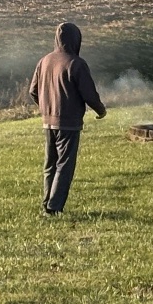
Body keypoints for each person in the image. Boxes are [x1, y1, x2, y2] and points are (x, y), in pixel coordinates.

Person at [29, 22, 106, 217]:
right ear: (75, 40)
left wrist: (45, 107)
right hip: (69, 123)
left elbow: (33, 91)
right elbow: (89, 94)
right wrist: (100, 110)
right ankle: (54, 207)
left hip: (48, 121)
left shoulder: (44, 61)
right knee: (64, 165)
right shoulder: (76, 63)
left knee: (50, 164)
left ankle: (47, 203)